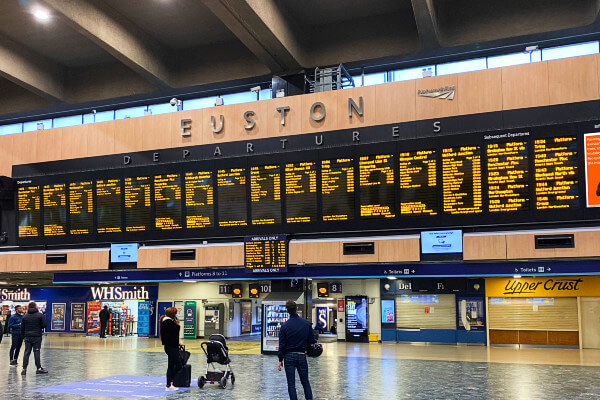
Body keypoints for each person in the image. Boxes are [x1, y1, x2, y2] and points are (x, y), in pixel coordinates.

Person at [278, 300, 315, 400]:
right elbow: (312, 340)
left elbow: (282, 345)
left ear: (287, 311)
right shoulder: (306, 324)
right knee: (305, 382)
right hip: (302, 355)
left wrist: (280, 359)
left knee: (291, 384)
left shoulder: (284, 326)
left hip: (288, 357)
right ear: (297, 309)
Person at [21, 302, 48, 375]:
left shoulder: (25, 316)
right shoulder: (40, 315)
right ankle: (38, 368)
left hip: (27, 337)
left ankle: (24, 369)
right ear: (35, 307)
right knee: (36, 351)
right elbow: (44, 325)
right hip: (37, 337)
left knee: (26, 352)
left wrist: (24, 336)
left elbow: (22, 328)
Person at [160, 307, 182, 391]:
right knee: (178, 365)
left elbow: (172, 335)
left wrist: (177, 342)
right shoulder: (168, 322)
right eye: (175, 313)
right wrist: (177, 325)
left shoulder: (168, 321)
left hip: (172, 346)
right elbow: (173, 333)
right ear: (172, 314)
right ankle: (170, 383)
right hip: (171, 347)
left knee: (171, 365)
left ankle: (169, 384)